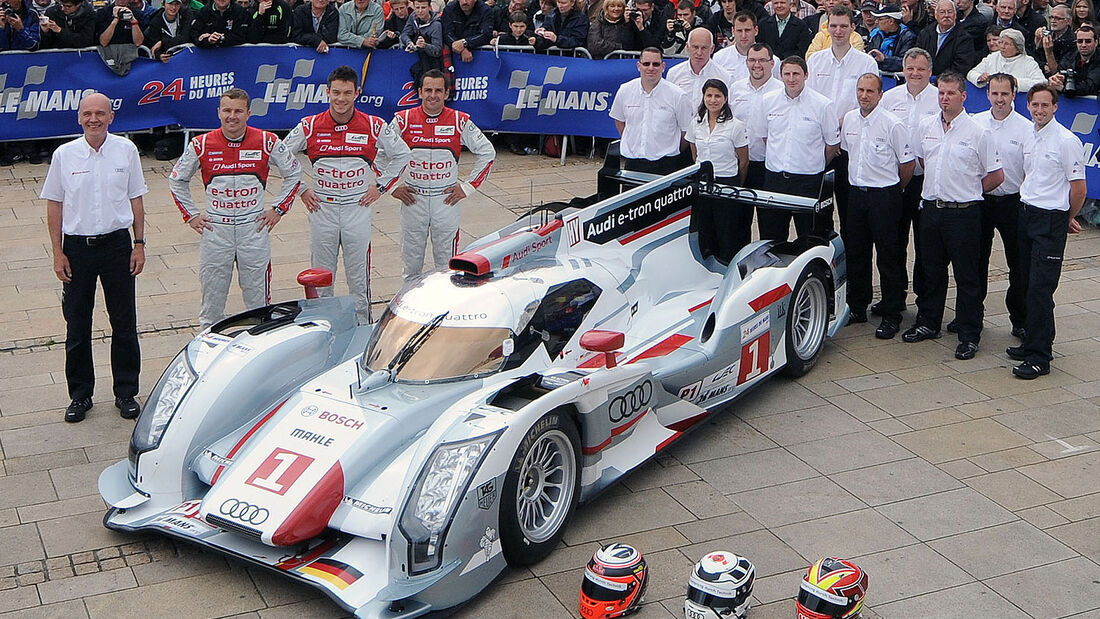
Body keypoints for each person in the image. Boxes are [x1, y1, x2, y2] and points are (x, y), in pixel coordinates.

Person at [40, 92, 146, 423]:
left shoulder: (126, 151)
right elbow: (54, 204)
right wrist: (58, 252)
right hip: (77, 249)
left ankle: (126, 392)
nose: (94, 119)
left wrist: (139, 243)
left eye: (100, 113)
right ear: (79, 118)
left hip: (117, 246)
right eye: (88, 113)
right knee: (77, 324)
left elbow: (136, 199)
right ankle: (80, 395)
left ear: (111, 117)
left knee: (125, 322)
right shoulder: (64, 155)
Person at [284, 66, 411, 323]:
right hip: (322, 208)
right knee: (321, 275)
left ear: (357, 94)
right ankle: (320, 328)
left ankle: (363, 328)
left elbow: (403, 154)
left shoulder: (374, 124)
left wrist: (382, 187)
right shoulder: (309, 125)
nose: (341, 99)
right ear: (327, 92)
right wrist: (301, 189)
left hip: (357, 208)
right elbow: (281, 156)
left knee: (358, 277)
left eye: (347, 93)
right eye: (336, 93)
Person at [168, 89, 303, 328]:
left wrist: (278, 209)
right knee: (212, 300)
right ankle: (208, 346)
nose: (232, 116)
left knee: (258, 301)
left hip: (253, 229)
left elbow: (294, 172)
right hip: (216, 231)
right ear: (219, 112)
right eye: (227, 110)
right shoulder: (201, 144)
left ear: (248, 113)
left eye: (238, 111)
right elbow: (176, 179)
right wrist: (191, 215)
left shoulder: (267, 140)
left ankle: (260, 346)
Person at [902, 71, 1003, 361]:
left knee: (967, 277)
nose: (944, 99)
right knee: (930, 271)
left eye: (950, 93)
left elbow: (995, 175)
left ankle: (969, 334)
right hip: (932, 210)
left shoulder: (978, 132)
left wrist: (968, 189)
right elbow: (923, 159)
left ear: (963, 96)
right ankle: (928, 323)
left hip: (964, 213)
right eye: (941, 93)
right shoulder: (925, 126)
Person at [1007, 83, 1087, 379]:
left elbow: (1079, 189)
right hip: (1026, 212)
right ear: (1028, 106)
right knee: (1025, 282)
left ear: (1055, 107)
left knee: (1041, 289)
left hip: (1050, 220)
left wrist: (1066, 216)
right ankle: (1031, 341)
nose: (1039, 110)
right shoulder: (1030, 134)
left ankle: (1040, 357)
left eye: (1045, 105)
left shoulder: (1067, 141)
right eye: (1035, 105)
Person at [390, 70, 496, 282]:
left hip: (445, 199)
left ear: (447, 93)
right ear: (419, 92)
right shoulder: (403, 120)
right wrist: (392, 187)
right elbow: (377, 155)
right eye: (428, 90)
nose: (433, 95)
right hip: (413, 199)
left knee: (447, 265)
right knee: (411, 264)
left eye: (439, 90)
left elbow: (488, 153)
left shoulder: (459, 120)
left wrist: (467, 188)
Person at [840, 73, 916, 336]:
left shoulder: (892, 124)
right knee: (856, 253)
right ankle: (858, 307)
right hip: (857, 195)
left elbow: (907, 165)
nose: (864, 95)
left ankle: (892, 313)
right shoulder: (849, 119)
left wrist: (896, 189)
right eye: (860, 90)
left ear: (880, 95)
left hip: (884, 196)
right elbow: (848, 152)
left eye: (870, 91)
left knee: (889, 256)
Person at [807, 6, 878, 234]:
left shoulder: (866, 64)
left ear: (853, 28)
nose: (838, 31)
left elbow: (867, 105)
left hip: (850, 147)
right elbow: (812, 101)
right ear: (827, 28)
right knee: (820, 212)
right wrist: (829, 135)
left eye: (843, 26)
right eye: (833, 26)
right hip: (821, 147)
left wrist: (839, 132)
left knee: (851, 214)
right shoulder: (816, 61)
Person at [756, 55, 840, 241]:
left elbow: (832, 144)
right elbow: (765, 137)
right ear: (781, 75)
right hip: (775, 180)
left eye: (796, 74)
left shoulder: (822, 105)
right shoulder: (768, 100)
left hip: (809, 182)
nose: (791, 78)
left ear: (806, 75)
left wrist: (812, 162)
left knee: (812, 239)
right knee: (772, 238)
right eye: (787, 74)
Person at [880, 46, 938, 314]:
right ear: (903, 70)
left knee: (926, 245)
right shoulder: (889, 98)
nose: (915, 73)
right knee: (893, 242)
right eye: (910, 68)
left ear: (930, 72)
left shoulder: (940, 98)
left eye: (921, 69)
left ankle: (926, 301)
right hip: (895, 180)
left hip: (927, 181)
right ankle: (894, 296)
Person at [972, 72, 1029, 340]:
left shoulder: (1026, 129)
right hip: (981, 201)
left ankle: (1020, 319)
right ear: (987, 94)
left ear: (1014, 95)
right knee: (975, 260)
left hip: (1012, 202)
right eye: (994, 94)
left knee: (1018, 263)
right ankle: (972, 315)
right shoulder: (976, 123)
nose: (999, 99)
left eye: (1004, 94)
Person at [687, 78, 750, 261]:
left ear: (725, 98)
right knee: (704, 230)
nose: (713, 100)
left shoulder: (736, 125)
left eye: (717, 96)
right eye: (709, 95)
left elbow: (744, 161)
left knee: (727, 232)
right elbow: (694, 153)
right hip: (702, 184)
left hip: (726, 184)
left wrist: (736, 184)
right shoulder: (696, 123)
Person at [609, 47, 692, 174]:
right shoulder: (625, 90)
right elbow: (619, 121)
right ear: (638, 65)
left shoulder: (678, 95)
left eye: (656, 64)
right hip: (633, 163)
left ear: (663, 66)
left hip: (666, 165)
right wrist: (632, 143)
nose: (651, 68)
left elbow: (686, 131)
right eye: (646, 64)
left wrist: (672, 149)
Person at [729, 42, 783, 189]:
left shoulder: (782, 91)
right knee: (740, 212)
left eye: (762, 60)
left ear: (772, 63)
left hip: (769, 164)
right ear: (746, 63)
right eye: (752, 60)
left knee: (767, 212)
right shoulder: (735, 89)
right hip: (739, 162)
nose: (756, 65)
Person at [668, 26, 732, 107]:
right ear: (687, 46)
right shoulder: (673, 73)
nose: (699, 53)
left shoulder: (724, 77)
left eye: (704, 48)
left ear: (712, 49)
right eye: (695, 47)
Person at [967, 27, 1046, 87]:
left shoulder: (1028, 62)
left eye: (1007, 44)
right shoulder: (992, 58)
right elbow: (970, 74)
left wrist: (1017, 82)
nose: (1002, 46)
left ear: (1018, 48)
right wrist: (979, 77)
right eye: (1001, 42)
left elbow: (1042, 82)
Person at [914, 0, 978, 74]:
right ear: (936, 15)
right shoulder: (925, 33)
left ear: (955, 15)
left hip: (949, 81)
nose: (946, 15)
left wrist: (938, 80)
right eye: (942, 12)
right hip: (925, 78)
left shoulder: (964, 38)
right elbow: (917, 57)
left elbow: (961, 67)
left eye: (950, 12)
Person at [714, 10, 770, 80]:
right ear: (733, 31)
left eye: (747, 30)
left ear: (756, 30)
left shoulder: (770, 60)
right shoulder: (719, 58)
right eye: (739, 31)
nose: (743, 36)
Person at [1048, 23, 1100, 95]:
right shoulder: (1069, 56)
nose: (1083, 45)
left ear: (1096, 42)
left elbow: (1090, 85)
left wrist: (1063, 88)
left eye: (1088, 41)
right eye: (1080, 41)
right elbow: (1059, 71)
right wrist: (1056, 79)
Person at [867, 4, 918, 70]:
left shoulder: (908, 37)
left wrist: (884, 59)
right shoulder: (876, 35)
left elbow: (906, 62)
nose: (876, 22)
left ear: (891, 21)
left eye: (879, 19)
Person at [1035, 3, 1073, 71]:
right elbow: (1037, 56)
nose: (1053, 21)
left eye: (1058, 18)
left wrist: (1049, 52)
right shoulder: (1048, 34)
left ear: (1068, 21)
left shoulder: (1072, 41)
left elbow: (1059, 70)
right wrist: (1038, 41)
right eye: (1051, 17)